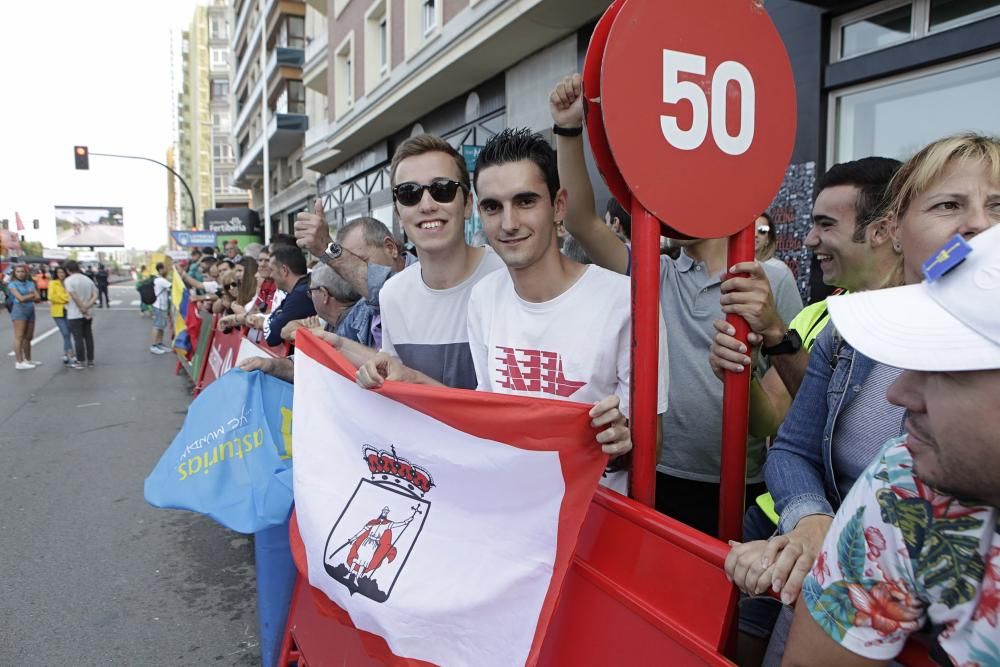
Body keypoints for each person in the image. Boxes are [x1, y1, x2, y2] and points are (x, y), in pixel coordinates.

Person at [725, 133, 1000, 663]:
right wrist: (813, 521)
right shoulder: (895, 480)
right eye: (948, 205)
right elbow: (786, 439)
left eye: (998, 206)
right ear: (894, 230)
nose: (977, 227)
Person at [549, 73, 803, 536]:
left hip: (739, 483)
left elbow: (782, 408)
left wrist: (763, 339)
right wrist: (570, 128)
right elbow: (583, 221)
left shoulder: (769, 279)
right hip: (658, 474)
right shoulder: (654, 273)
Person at [356, 129, 642, 470]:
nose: (509, 222)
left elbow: (649, 445)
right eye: (493, 207)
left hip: (597, 509)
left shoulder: (624, 303)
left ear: (558, 205)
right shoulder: (485, 299)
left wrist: (622, 445)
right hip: (505, 505)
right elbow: (488, 418)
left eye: (525, 201)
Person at [782, 222, 1000, 667]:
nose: (897, 393)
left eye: (947, 367)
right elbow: (790, 445)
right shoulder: (906, 483)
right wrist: (810, 517)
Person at [710, 158, 902, 436]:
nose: (809, 239)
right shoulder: (812, 318)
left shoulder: (931, 321)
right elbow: (768, 422)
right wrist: (742, 375)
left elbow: (847, 428)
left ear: (881, 231)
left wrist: (777, 333)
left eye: (826, 225)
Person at [354, 134, 506, 389]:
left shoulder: (508, 279)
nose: (427, 205)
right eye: (409, 193)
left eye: (442, 190)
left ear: (468, 204)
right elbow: (400, 388)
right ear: (398, 214)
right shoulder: (392, 295)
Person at [295, 208, 416, 349]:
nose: (350, 272)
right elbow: (333, 354)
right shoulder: (362, 307)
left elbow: (393, 294)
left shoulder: (425, 281)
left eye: (358, 261)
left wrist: (326, 249)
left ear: (390, 248)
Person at [246, 245, 315, 348]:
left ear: (284, 270)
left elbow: (272, 336)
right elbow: (274, 316)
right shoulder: (299, 288)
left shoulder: (300, 295)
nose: (271, 275)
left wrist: (265, 322)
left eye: (272, 270)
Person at [64, 259, 97, 369]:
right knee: (88, 337)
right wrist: (87, 307)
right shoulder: (88, 280)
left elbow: (74, 296)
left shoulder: (69, 280)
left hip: (74, 313)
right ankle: (91, 360)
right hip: (88, 312)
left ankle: (81, 361)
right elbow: (95, 295)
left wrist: (82, 308)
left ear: (68, 270)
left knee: (78, 338)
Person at [7, 264, 40, 370]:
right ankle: (19, 361)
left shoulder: (30, 283)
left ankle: (28, 359)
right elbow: (20, 299)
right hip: (19, 310)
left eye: (22, 271)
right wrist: (31, 296)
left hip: (30, 310)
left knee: (29, 337)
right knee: (19, 336)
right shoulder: (12, 284)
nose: (20, 274)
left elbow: (38, 298)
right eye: (18, 271)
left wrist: (29, 297)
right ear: (14, 273)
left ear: (26, 273)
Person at [48, 266, 75, 365]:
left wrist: (62, 297)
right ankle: (71, 354)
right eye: (59, 272)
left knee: (68, 333)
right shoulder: (53, 283)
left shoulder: (69, 282)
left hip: (70, 311)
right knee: (65, 333)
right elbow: (51, 297)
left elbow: (73, 295)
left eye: (63, 272)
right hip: (58, 312)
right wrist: (65, 299)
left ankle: (65, 353)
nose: (61, 274)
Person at [149, 262, 172, 354]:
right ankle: (154, 346)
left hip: (162, 306)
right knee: (157, 326)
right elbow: (173, 286)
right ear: (161, 269)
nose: (167, 270)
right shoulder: (160, 280)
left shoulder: (160, 279)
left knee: (161, 326)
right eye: (166, 268)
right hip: (159, 306)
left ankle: (159, 344)